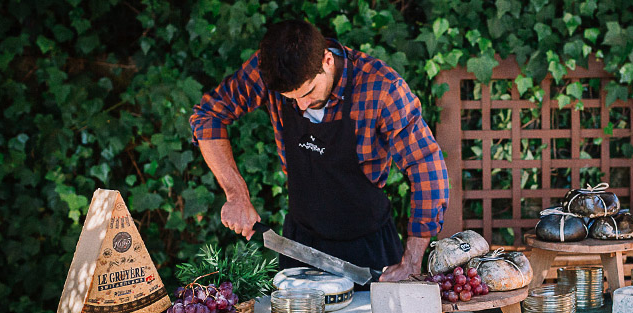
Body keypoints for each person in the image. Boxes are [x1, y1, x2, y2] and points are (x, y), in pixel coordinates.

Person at [189, 19, 449, 282]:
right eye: (291, 99)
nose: (302, 106)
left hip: (370, 248)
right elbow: (209, 115)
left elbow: (424, 164)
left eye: (309, 92)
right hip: (300, 246)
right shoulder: (272, 68)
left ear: (327, 60)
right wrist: (236, 194)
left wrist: (413, 261)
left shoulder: (381, 88)